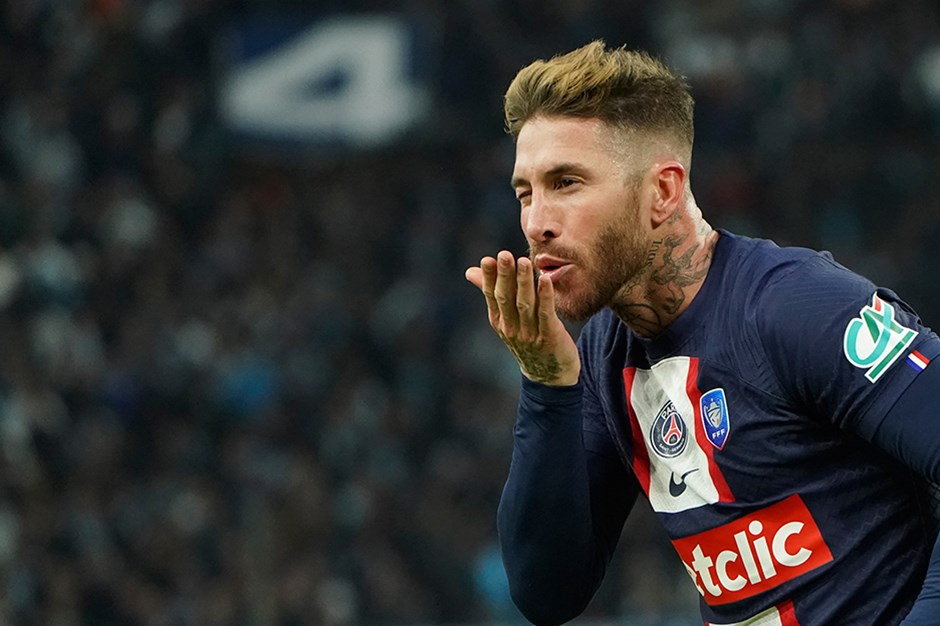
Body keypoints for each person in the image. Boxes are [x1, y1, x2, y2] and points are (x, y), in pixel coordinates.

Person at [464, 40, 940, 626]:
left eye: (567, 182)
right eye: (525, 193)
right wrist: (547, 384)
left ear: (662, 192)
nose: (536, 222)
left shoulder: (796, 308)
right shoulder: (606, 352)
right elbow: (547, 591)